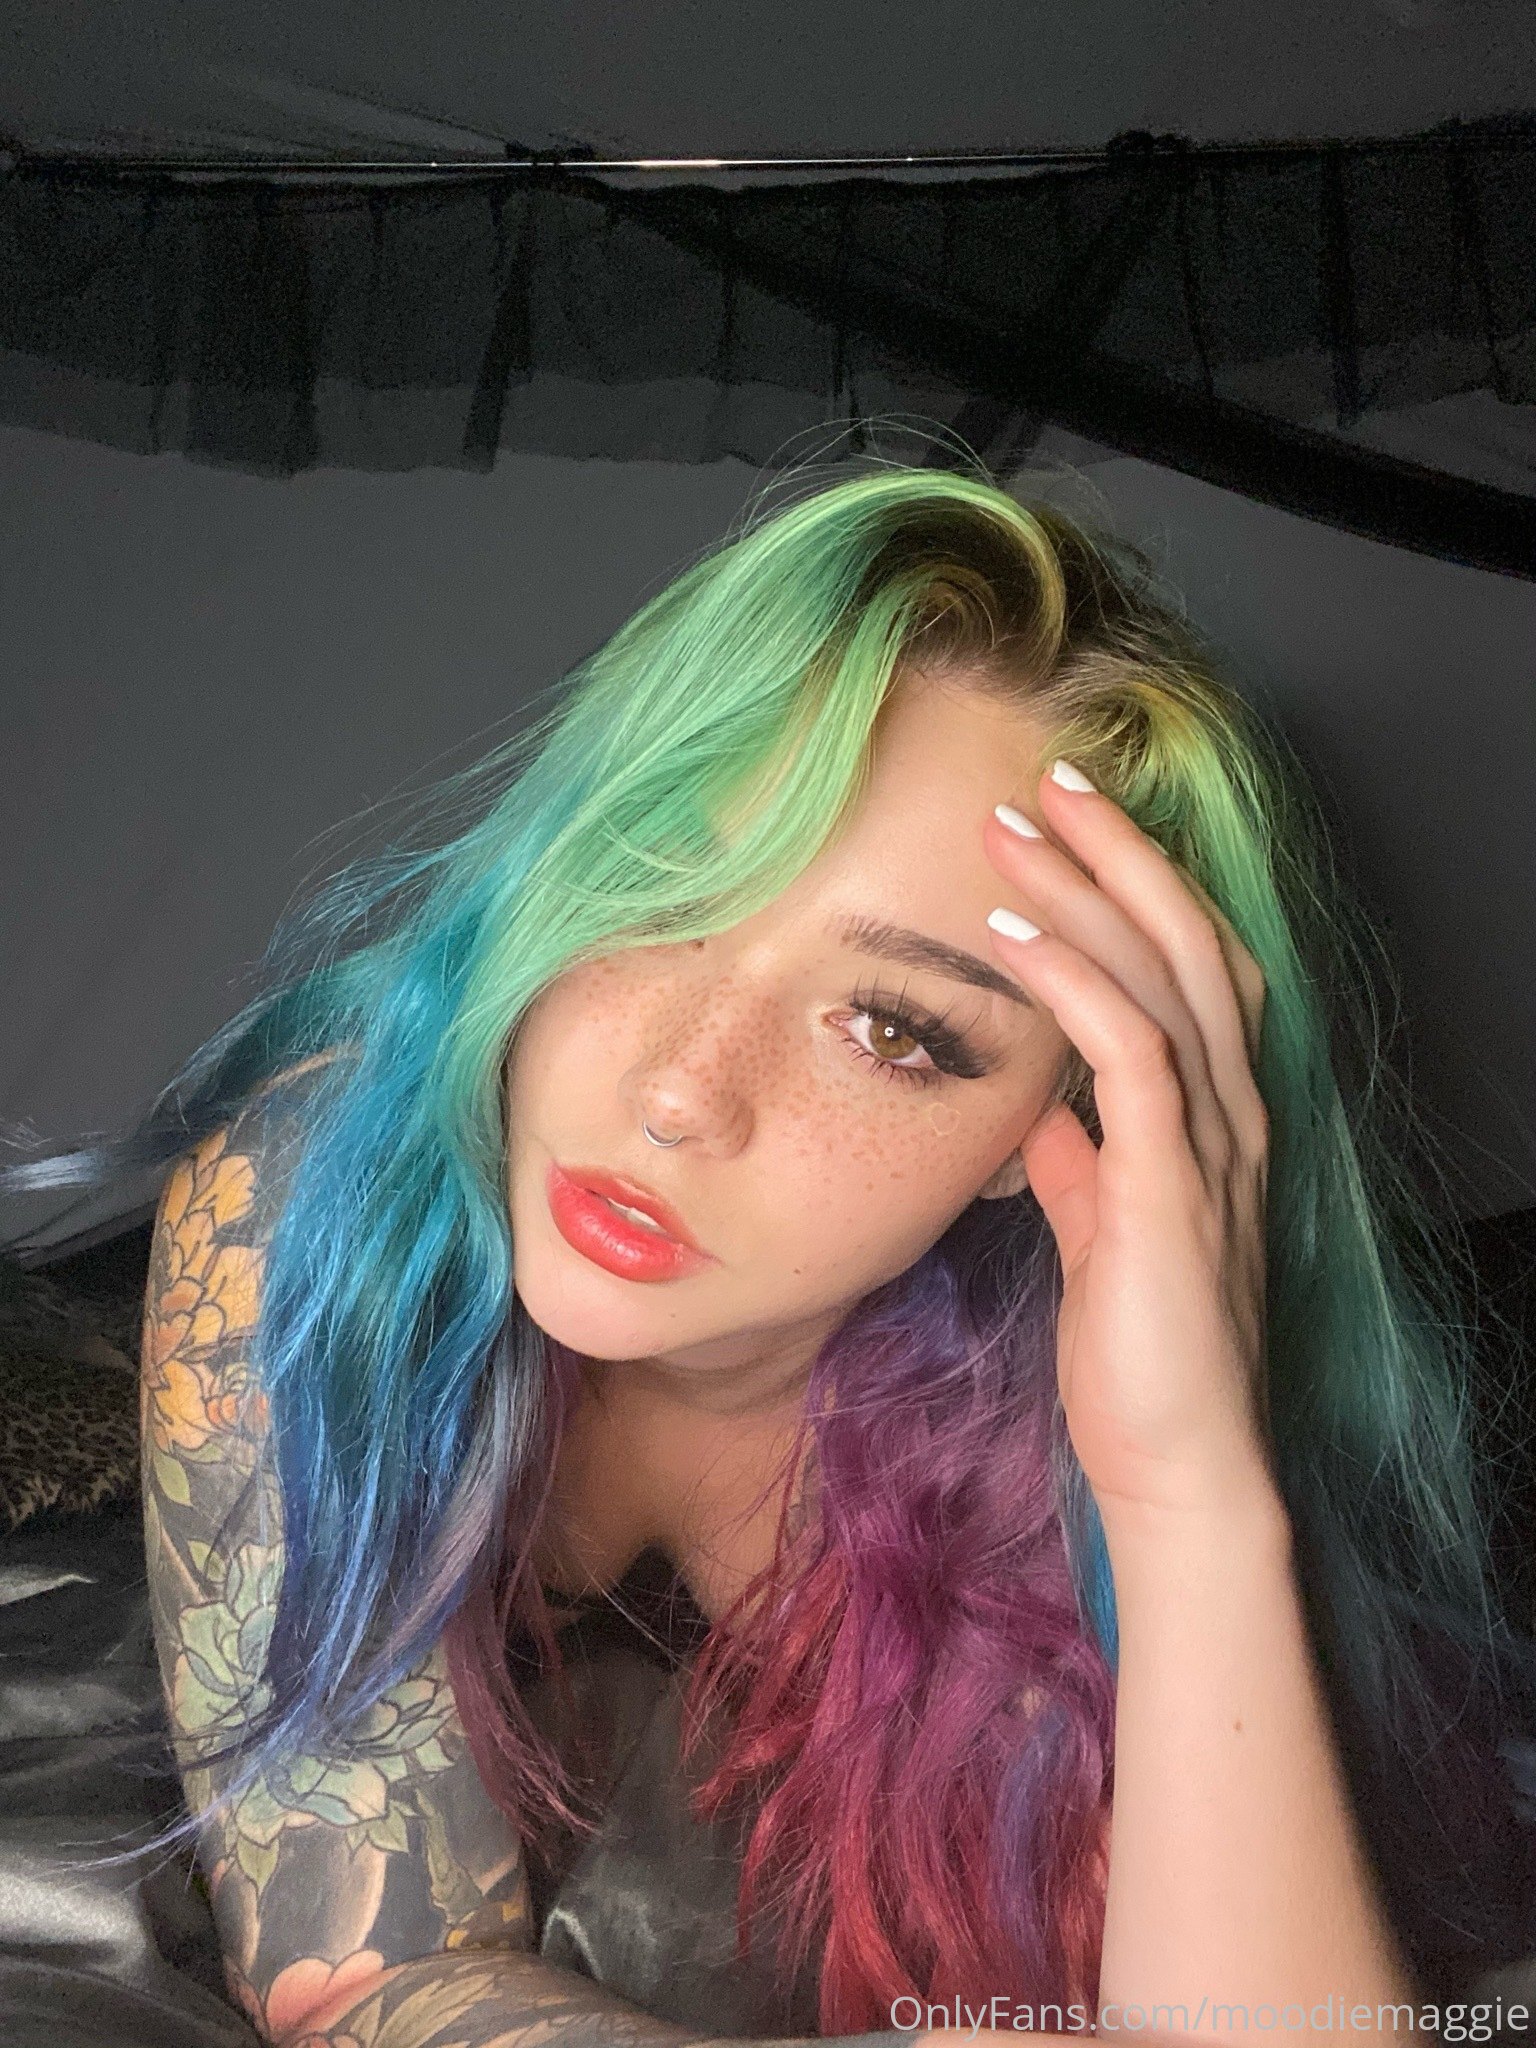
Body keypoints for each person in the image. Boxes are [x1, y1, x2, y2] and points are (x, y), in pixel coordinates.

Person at [5, 459, 1533, 2047]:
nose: (680, 1090)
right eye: (661, 885)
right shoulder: (316, 1210)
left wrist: (1189, 1490)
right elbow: (366, 1972)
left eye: (893, 1029)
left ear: (1053, 1125)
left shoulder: (1043, 1412)